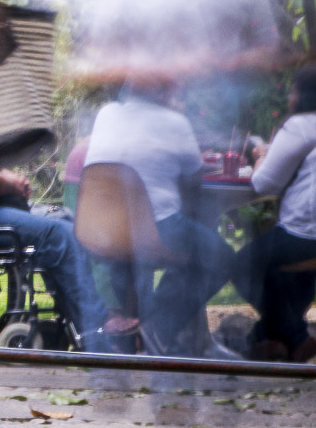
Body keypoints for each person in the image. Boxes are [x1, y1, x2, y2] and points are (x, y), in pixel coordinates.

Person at [81, 79, 249, 356]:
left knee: (149, 255)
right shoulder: (174, 122)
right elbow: (194, 180)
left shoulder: (106, 114)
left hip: (104, 231)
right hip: (155, 230)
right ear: (162, 90)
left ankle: (132, 335)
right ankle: (159, 328)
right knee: (219, 257)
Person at [0, 168, 118, 349]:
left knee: (63, 216)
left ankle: (74, 326)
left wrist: (7, 179)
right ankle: (95, 329)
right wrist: (5, 182)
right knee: (60, 234)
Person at [245, 65, 316, 360]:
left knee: (242, 264)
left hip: (305, 233)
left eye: (292, 90)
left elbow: (263, 184)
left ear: (302, 95)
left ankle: (295, 336)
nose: (289, 97)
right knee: (278, 271)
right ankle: (273, 339)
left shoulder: (300, 125)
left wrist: (261, 156)